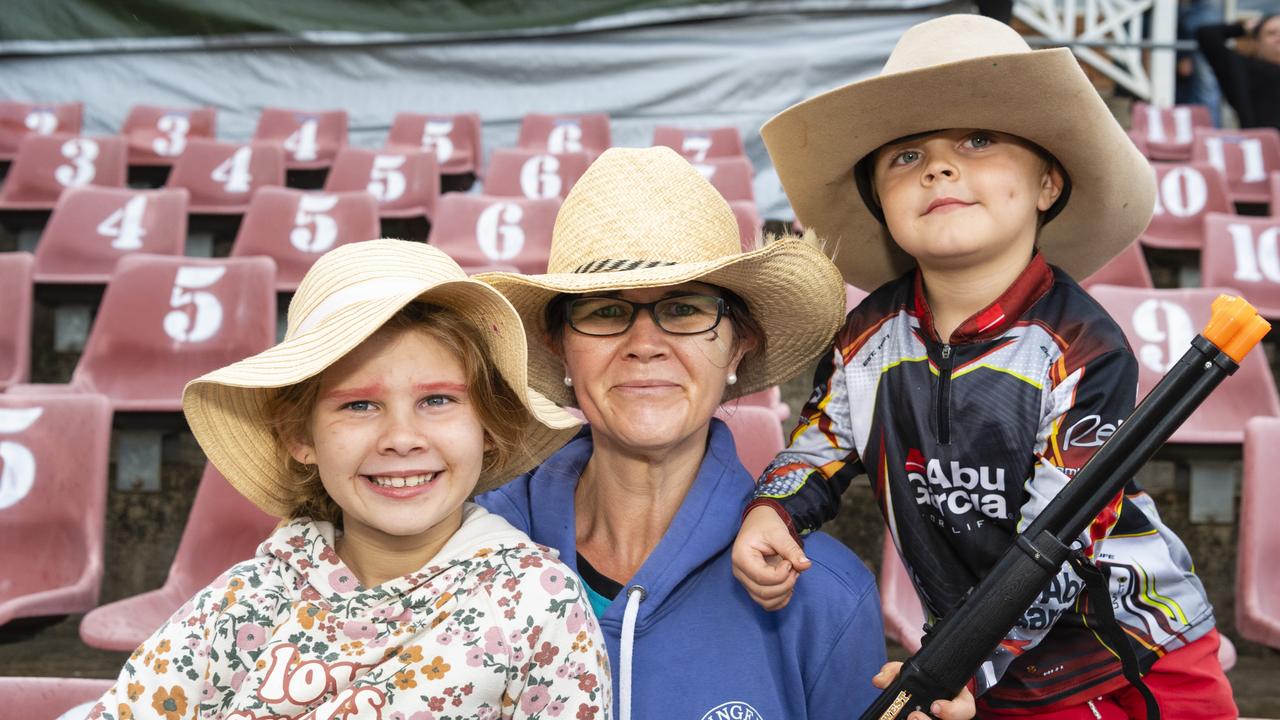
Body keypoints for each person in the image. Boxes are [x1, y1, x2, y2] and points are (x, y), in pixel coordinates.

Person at [733, 14, 1238, 719]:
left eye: (978, 140)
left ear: (1047, 184)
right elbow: (822, 441)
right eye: (905, 155)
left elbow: (1059, 534)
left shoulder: (1082, 345)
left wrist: (962, 663)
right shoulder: (865, 337)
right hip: (981, 654)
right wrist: (773, 512)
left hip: (1130, 649)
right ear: (881, 203)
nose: (939, 166)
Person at [472, 147, 970, 720]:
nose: (644, 342)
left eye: (684, 309)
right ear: (561, 346)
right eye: (606, 311)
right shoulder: (473, 547)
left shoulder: (826, 595)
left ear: (739, 345)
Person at [89, 240, 611, 720]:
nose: (401, 438)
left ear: (489, 426)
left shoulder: (536, 603)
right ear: (301, 436)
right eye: (360, 405)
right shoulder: (247, 600)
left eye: (437, 400)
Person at [1197, 13, 1280, 130]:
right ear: (1257, 42)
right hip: (1260, 142)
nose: (1278, 37)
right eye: (1271, 33)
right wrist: (1243, 28)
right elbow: (1207, 35)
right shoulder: (1241, 68)